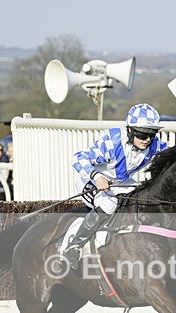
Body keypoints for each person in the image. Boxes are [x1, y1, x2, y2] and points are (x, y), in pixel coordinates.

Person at [62, 103, 169, 269]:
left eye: (152, 134)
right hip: (91, 182)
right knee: (109, 203)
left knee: (145, 197)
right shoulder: (113, 141)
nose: (147, 139)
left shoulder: (154, 145)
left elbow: (174, 154)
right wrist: (96, 176)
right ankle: (74, 246)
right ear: (130, 130)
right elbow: (78, 158)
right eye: (142, 134)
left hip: (120, 183)